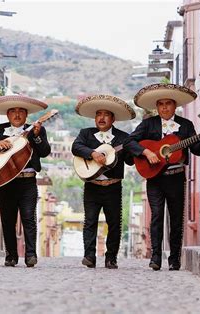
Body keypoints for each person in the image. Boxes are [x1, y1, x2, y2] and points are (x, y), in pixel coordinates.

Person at [124, 83, 200, 271]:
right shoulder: (149, 124)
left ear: (175, 106)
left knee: (176, 218)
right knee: (156, 216)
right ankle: (155, 258)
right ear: (157, 107)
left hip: (176, 177)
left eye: (168, 103)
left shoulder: (186, 125)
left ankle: (174, 259)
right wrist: (147, 152)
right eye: (161, 104)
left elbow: (196, 150)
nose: (164, 107)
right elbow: (129, 142)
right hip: (154, 178)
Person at [0, 95, 51, 267]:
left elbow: (44, 151)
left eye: (21, 111)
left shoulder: (36, 129)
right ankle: (11, 255)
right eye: (13, 111)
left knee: (28, 217)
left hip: (27, 181)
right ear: (8, 114)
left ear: (26, 114)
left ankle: (30, 255)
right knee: (7, 219)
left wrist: (36, 136)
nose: (17, 115)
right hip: (5, 181)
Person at [72, 94, 136, 269]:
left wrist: (134, 149)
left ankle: (111, 258)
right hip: (92, 185)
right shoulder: (86, 134)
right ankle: (89, 256)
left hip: (113, 186)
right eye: (98, 114)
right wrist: (93, 154)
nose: (101, 118)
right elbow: (75, 147)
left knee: (114, 223)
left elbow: (130, 160)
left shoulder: (123, 137)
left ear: (113, 118)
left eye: (106, 114)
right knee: (90, 221)